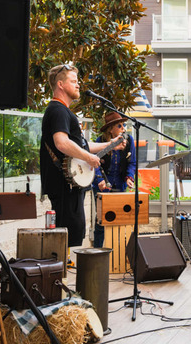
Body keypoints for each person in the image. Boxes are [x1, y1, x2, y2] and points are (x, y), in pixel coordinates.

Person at [40, 64, 126, 248]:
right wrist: (88, 158)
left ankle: (62, 272)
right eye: (74, 81)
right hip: (63, 183)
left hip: (70, 183)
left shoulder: (63, 111)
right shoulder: (57, 110)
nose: (78, 85)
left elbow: (82, 146)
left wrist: (111, 145)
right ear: (61, 84)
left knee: (73, 232)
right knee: (66, 235)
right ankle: (60, 274)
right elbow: (61, 142)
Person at [91, 111, 136, 248]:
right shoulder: (100, 142)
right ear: (110, 130)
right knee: (102, 221)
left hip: (119, 184)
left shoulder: (129, 141)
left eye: (124, 125)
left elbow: (132, 163)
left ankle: (118, 253)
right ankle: (98, 253)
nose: (123, 128)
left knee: (120, 220)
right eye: (120, 126)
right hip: (101, 186)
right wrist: (99, 179)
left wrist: (129, 177)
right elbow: (94, 162)